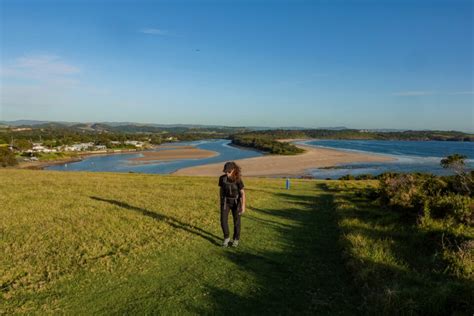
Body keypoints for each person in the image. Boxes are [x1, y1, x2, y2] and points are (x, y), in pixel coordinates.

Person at [218, 161, 246, 247]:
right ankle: (226, 238)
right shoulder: (222, 178)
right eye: (225, 171)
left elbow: (242, 193)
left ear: (233, 170)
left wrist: (243, 206)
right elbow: (221, 190)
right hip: (226, 202)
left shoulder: (238, 180)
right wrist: (221, 201)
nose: (227, 173)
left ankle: (236, 239)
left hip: (236, 202)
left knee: (237, 222)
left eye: (229, 172)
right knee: (223, 221)